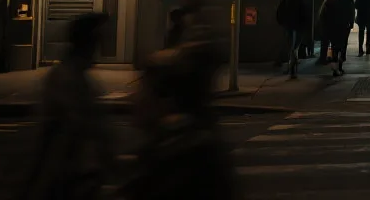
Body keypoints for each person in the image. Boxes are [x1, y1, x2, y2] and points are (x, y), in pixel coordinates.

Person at [121, 46, 237, 200]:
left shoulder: (178, 160)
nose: (134, 98)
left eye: (143, 89)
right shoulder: (184, 145)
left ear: (165, 99)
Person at [24, 13, 112, 200]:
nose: (102, 46)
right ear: (89, 43)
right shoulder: (68, 79)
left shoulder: (75, 76)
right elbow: (71, 128)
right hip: (65, 176)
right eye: (99, 40)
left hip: (71, 174)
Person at [320, 0, 355, 76]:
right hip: (344, 27)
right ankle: (340, 66)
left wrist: (325, 25)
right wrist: (351, 24)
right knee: (343, 46)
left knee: (334, 46)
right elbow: (351, 13)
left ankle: (335, 67)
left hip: (332, 27)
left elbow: (323, 14)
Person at [275, 0, 308, 78]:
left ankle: (289, 66)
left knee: (290, 46)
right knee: (294, 48)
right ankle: (292, 69)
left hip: (288, 26)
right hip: (297, 27)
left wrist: (282, 23)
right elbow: (304, 14)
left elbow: (279, 12)